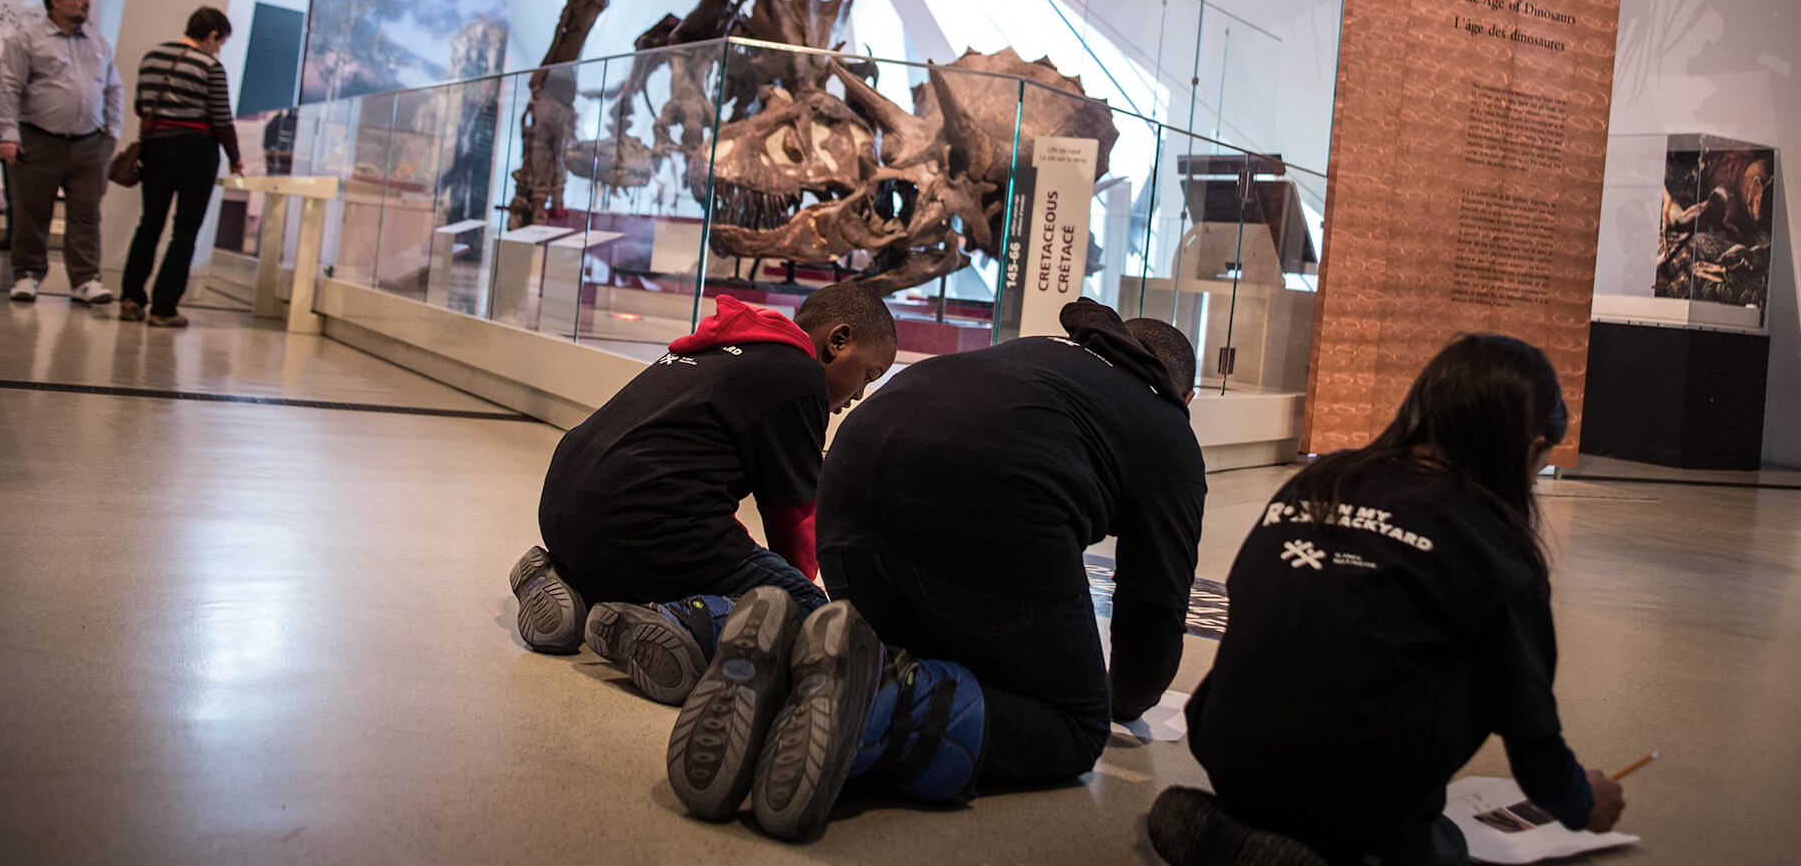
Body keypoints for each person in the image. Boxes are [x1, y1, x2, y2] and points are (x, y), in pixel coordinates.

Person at [662, 298, 1206, 841]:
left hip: (848, 484)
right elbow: (1153, 612)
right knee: (1072, 727)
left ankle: (718, 637)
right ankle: (876, 713)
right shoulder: (1168, 426)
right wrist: (1125, 699)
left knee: (876, 657)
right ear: (1186, 397)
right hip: (988, 504)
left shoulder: (1040, 352)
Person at [1149, 333, 1627, 866]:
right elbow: (1530, 730)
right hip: (1360, 800)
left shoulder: (1320, 480)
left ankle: (1232, 836)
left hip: (1229, 764)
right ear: (1530, 446)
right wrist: (1583, 800)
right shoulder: (1491, 544)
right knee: (1448, 837)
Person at [509, 282, 898, 705]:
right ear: (838, 341)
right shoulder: (800, 375)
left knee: (687, 546)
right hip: (639, 529)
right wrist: (789, 593)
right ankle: (686, 624)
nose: (859, 394)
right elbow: (795, 521)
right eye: (868, 375)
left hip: (563, 512)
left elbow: (685, 474)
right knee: (813, 614)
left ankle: (564, 582)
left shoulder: (727, 346)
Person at [0, 0, 124, 304]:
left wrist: (112, 132)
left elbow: (113, 89)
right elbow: (8, 88)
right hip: (38, 140)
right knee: (32, 212)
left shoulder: (99, 43)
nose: (86, 1)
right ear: (55, 1)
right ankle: (27, 274)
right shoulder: (27, 40)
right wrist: (8, 135)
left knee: (86, 215)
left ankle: (85, 280)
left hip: (91, 144)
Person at [119, 7, 245, 327]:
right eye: (221, 42)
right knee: (185, 231)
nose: (218, 49)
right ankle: (164, 307)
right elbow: (221, 118)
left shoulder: (152, 57)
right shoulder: (210, 66)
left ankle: (131, 298)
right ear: (212, 35)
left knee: (149, 224)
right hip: (195, 152)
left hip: (155, 148)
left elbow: (139, 105)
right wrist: (235, 157)